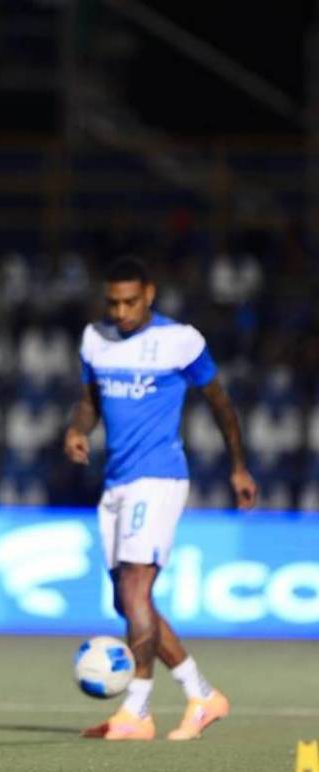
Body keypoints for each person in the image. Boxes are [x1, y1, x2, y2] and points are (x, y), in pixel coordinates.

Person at [65, 255, 257, 741]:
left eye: (130, 302)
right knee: (127, 599)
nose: (121, 312)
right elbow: (90, 401)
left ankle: (137, 710)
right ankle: (202, 694)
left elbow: (220, 402)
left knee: (135, 589)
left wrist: (238, 466)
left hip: (159, 477)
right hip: (116, 481)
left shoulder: (181, 340)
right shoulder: (95, 339)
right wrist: (77, 429)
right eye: (113, 303)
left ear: (149, 294)